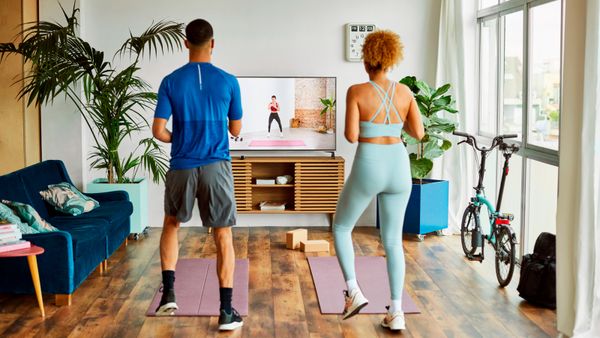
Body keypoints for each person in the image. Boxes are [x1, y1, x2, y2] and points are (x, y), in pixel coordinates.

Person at [152, 18, 244, 331]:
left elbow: (158, 131)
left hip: (182, 165)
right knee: (223, 234)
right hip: (216, 165)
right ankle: (226, 312)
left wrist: (179, 138)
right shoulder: (229, 80)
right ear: (213, 43)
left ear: (185, 43)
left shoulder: (170, 81)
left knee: (171, 224)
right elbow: (235, 129)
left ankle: (169, 296)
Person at [332, 30, 424, 331]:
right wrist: (394, 124)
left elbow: (351, 136)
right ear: (391, 58)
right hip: (398, 164)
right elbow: (419, 133)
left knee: (343, 226)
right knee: (393, 241)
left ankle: (353, 291)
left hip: (369, 162)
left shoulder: (357, 91)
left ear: (367, 59)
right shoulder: (405, 92)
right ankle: (396, 311)